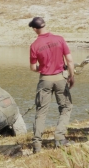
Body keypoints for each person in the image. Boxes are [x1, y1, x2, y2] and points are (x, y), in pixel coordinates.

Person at [29, 17, 75, 153]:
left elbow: (32, 67)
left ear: (35, 29)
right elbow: (70, 60)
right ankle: (60, 137)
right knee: (66, 107)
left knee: (41, 112)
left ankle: (37, 145)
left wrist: (42, 68)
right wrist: (71, 76)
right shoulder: (59, 39)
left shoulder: (34, 45)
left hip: (44, 80)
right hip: (60, 78)